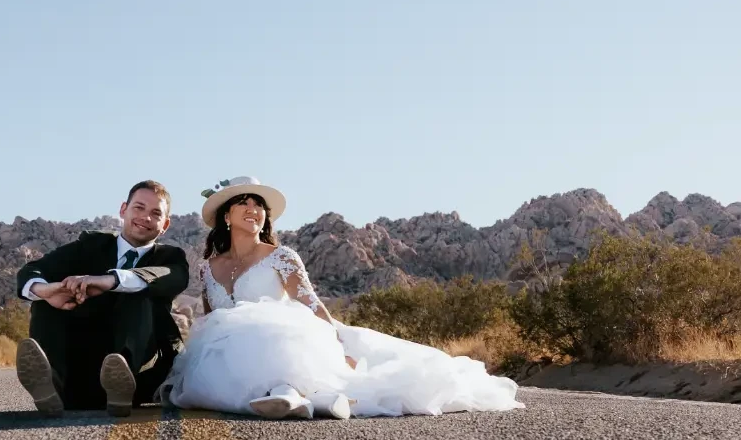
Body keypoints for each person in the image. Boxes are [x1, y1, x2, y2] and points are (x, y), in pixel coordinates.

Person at [164, 176, 522, 419]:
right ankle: (317, 399)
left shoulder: (281, 256)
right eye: (243, 203)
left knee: (262, 329)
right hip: (225, 353)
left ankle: (294, 391)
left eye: (258, 205)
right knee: (218, 356)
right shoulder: (209, 267)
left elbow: (311, 305)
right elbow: (210, 318)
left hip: (281, 339)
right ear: (226, 216)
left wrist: (337, 346)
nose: (253, 210)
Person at [15, 180, 189, 416]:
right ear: (123, 210)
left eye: (155, 213)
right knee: (47, 300)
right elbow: (33, 270)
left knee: (138, 292)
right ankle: (52, 386)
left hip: (138, 371)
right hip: (80, 362)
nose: (145, 217)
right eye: (139, 208)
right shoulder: (90, 245)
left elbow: (172, 277)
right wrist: (45, 291)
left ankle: (121, 383)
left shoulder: (171, 258)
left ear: (165, 225)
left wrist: (110, 281)